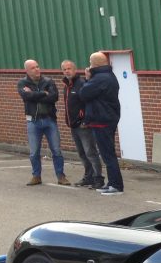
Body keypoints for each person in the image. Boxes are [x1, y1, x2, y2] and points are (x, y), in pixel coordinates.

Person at [17, 59, 69, 186]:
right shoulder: (22, 83)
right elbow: (26, 97)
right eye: (33, 68)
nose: (37, 69)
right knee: (34, 151)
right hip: (33, 122)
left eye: (37, 66)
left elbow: (54, 97)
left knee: (56, 150)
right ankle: (36, 176)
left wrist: (35, 94)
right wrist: (43, 93)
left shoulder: (48, 81)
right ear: (27, 70)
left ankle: (61, 176)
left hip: (49, 120)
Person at [79, 51, 123, 195]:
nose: (89, 65)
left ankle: (116, 185)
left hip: (102, 120)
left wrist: (87, 79)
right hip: (106, 118)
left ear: (95, 64)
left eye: (91, 63)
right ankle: (111, 182)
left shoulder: (99, 78)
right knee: (107, 153)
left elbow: (84, 94)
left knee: (107, 154)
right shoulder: (108, 76)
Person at [60, 59, 103, 189]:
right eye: (64, 69)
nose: (67, 71)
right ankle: (88, 177)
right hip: (73, 126)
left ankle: (98, 179)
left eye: (69, 68)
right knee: (82, 154)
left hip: (84, 126)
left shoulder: (81, 84)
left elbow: (89, 104)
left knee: (91, 152)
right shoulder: (67, 86)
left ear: (75, 69)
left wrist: (85, 120)